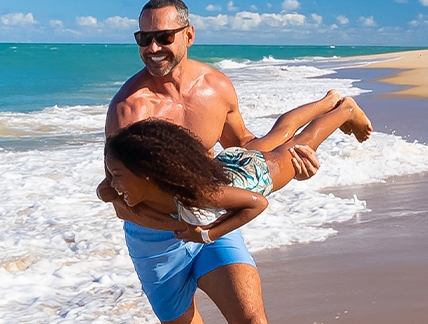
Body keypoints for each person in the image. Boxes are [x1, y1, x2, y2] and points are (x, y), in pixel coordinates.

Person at [96, 0, 319, 324]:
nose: (152, 47)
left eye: (163, 36)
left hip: (214, 230)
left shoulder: (216, 86)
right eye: (143, 38)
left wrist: (294, 157)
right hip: (157, 241)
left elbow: (244, 148)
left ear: (188, 35)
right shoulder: (129, 109)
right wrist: (174, 222)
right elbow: (114, 195)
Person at [105, 91, 373, 241]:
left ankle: (345, 110)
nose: (113, 184)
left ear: (148, 175)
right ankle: (327, 101)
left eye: (117, 176)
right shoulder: (161, 183)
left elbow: (257, 202)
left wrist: (210, 234)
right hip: (228, 163)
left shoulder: (199, 194)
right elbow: (106, 193)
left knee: (302, 142)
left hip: (259, 175)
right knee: (280, 133)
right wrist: (107, 189)